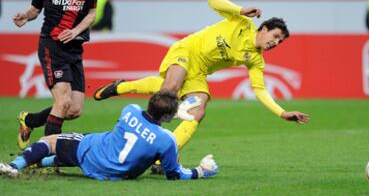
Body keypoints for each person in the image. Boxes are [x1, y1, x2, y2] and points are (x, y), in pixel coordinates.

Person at [94, 0, 310, 171]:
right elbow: (212, 0)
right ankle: (127, 97)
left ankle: (162, 156)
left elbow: (260, 90)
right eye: (275, 36)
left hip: (200, 72)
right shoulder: (241, 22)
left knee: (198, 111)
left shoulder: (255, 59)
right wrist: (240, 9)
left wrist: (282, 113)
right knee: (170, 91)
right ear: (263, 28)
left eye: (280, 41)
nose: (275, 42)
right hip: (187, 51)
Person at [0, 91, 219, 180]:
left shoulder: (130, 109)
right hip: (115, 174)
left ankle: (13, 166)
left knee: (49, 141)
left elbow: (144, 118)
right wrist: (202, 171)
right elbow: (174, 174)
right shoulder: (167, 140)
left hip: (93, 152)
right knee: (71, 154)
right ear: (168, 116)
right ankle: (35, 165)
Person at [12, 0, 98, 150]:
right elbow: (35, 9)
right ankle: (45, 156)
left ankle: (29, 120)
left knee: (74, 109)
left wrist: (76, 30)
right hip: (52, 46)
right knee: (63, 102)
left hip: (75, 49)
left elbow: (91, 13)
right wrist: (25, 16)